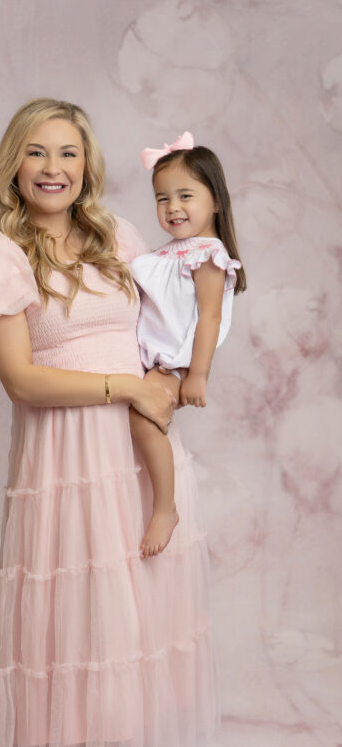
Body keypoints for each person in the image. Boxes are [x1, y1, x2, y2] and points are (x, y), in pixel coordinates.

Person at [0, 98, 217, 747]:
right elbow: (20, 379)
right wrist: (122, 388)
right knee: (62, 619)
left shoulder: (116, 237)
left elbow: (163, 326)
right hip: (64, 457)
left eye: (67, 153)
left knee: (121, 619)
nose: (53, 169)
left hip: (134, 452)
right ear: (14, 163)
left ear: (86, 165)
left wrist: (167, 378)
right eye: (36, 153)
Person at [129, 134, 245, 556]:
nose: (172, 207)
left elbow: (209, 318)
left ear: (215, 201)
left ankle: (165, 508)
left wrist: (197, 375)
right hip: (150, 362)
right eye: (162, 198)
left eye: (185, 196)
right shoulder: (173, 252)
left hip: (174, 365)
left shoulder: (208, 254)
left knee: (143, 420)